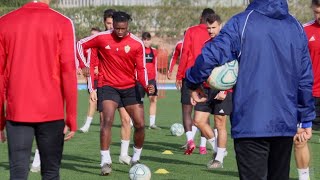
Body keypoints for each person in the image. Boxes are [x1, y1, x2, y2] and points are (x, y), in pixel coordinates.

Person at [185, 0, 314, 179]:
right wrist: (305, 118)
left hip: (251, 123)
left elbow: (210, 55)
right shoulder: (295, 27)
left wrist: (192, 81)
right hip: (284, 124)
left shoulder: (241, 23)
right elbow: (305, 78)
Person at [0, 0, 77, 179]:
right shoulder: (63, 22)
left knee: (18, 173)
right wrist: (71, 116)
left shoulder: (4, 22)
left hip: (17, 110)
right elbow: (68, 70)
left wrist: (0, 119)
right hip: (52, 111)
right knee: (50, 173)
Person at [77, 11, 154, 175]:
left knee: (140, 124)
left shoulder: (136, 43)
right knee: (107, 121)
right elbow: (79, 44)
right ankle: (105, 161)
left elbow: (141, 69)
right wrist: (83, 64)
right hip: (108, 86)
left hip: (129, 87)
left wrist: (147, 86)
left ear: (128, 26)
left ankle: (136, 158)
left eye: (123, 29)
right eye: (117, 28)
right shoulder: (102, 37)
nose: (119, 32)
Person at [192, 13, 230, 168]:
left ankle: (218, 159)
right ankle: (217, 148)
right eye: (208, 28)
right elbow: (202, 67)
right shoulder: (207, 45)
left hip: (223, 90)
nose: (211, 31)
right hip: (206, 88)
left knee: (220, 124)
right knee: (198, 121)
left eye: (213, 27)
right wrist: (196, 88)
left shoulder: (229, 45)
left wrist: (225, 90)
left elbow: (233, 70)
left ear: (220, 26)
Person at [176, 8, 215, 155]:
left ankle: (190, 141)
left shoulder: (191, 31)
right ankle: (203, 146)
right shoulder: (214, 32)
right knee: (204, 113)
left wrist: (179, 75)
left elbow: (185, 53)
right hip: (208, 76)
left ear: (200, 17)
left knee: (187, 111)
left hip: (191, 75)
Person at [294, 0, 320, 179]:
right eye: (317, 12)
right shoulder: (303, 30)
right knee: (300, 139)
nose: (319, 16)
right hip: (309, 95)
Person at [137, 32, 161, 129]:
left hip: (151, 80)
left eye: (148, 39)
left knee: (153, 100)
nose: (146, 41)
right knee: (138, 102)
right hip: (140, 80)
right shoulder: (138, 50)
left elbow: (155, 65)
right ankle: (134, 122)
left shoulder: (154, 51)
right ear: (142, 40)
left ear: (150, 40)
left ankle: (152, 124)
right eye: (144, 39)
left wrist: (156, 79)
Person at [79, 27, 101, 133]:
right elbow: (82, 59)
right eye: (91, 35)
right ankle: (87, 125)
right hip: (92, 78)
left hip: (103, 78)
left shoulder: (102, 48)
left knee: (101, 103)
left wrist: (99, 68)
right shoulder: (87, 48)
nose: (93, 37)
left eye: (95, 35)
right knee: (93, 101)